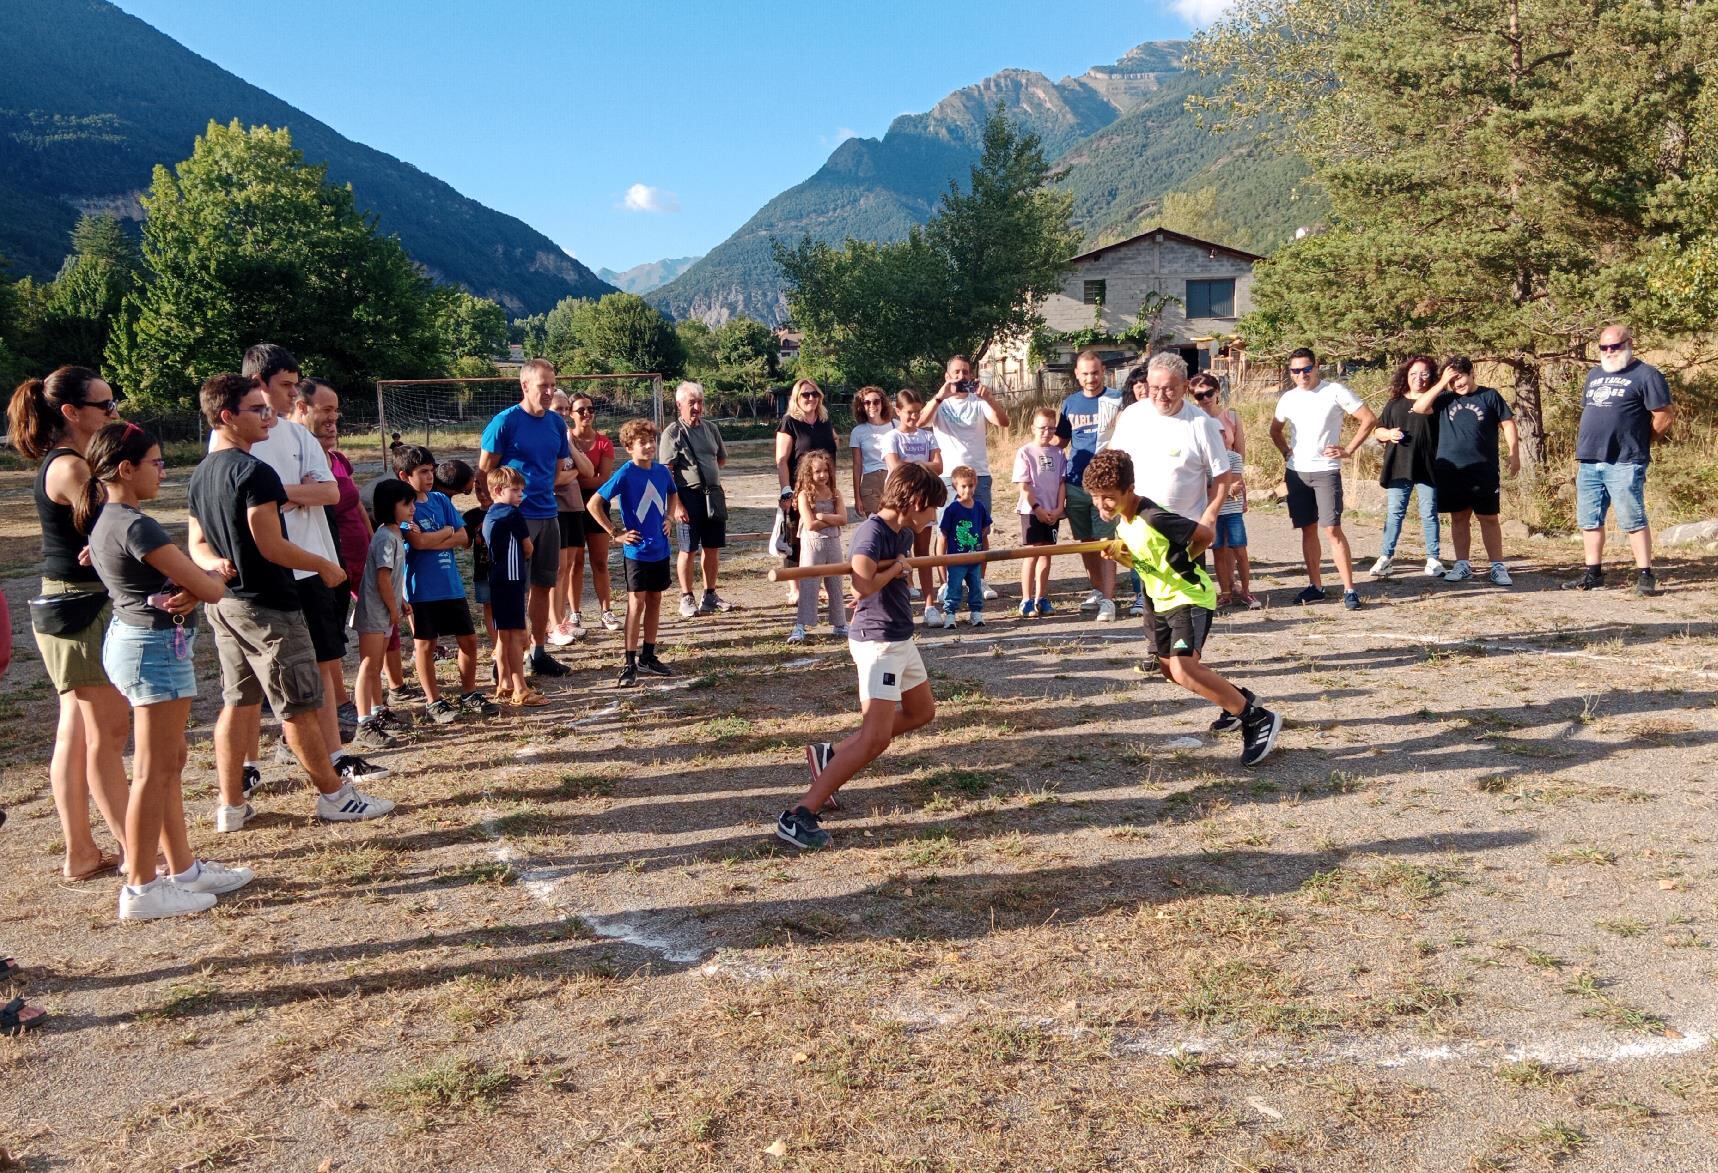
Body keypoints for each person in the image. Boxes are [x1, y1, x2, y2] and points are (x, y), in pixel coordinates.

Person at [186, 374, 394, 829]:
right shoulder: (253, 471)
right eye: (256, 410)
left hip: (227, 604)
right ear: (227, 417)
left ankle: (231, 805)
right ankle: (335, 797)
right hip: (268, 605)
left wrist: (215, 564)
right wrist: (322, 564)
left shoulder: (201, 472)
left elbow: (196, 541)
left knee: (238, 702)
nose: (268, 417)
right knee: (298, 703)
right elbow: (271, 544)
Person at [78, 422, 255, 919]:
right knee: (154, 772)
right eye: (155, 463)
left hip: (143, 642)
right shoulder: (137, 525)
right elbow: (212, 587)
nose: (163, 470)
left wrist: (196, 583)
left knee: (169, 764)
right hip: (151, 648)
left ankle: (183, 869)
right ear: (125, 469)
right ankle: (140, 887)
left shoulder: (111, 517)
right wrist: (208, 579)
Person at [229, 345, 380, 781]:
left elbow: (329, 492)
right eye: (286, 386)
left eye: (297, 385)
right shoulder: (237, 442)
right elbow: (243, 500)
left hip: (314, 566)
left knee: (324, 661)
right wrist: (289, 491)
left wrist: (278, 493)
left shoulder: (297, 437)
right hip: (269, 571)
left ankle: (335, 756)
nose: (292, 394)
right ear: (257, 384)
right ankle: (247, 765)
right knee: (254, 678)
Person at [779, 464, 948, 850]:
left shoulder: (900, 531)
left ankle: (831, 755)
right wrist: (896, 572)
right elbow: (862, 582)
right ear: (916, 502)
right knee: (875, 739)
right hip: (878, 644)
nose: (934, 517)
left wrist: (897, 571)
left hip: (899, 638)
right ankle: (799, 814)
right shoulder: (871, 533)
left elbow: (874, 581)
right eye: (932, 509)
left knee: (922, 712)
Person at [6, 366, 130, 881]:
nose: (115, 412)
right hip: (80, 609)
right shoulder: (69, 466)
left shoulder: (74, 463)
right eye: (106, 406)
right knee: (104, 736)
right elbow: (111, 524)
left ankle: (82, 852)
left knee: (76, 735)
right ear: (72, 413)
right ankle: (137, 849)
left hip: (73, 606)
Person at [1086, 449, 1282, 766]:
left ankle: (1256, 717)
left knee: (1184, 667)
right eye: (1095, 497)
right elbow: (1146, 561)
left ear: (1129, 488)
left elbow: (1204, 535)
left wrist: (1183, 559)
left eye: (1107, 497)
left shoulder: (1153, 517)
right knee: (1170, 671)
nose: (1101, 505)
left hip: (1188, 597)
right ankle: (1238, 701)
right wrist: (1122, 557)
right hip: (1159, 601)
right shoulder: (1124, 523)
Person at [1110, 352, 1238, 622]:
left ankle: (1187, 658)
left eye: (1169, 388)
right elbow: (1115, 466)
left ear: (1183, 386)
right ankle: (1157, 654)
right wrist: (1110, 504)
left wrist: (1210, 517)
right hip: (1142, 529)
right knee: (1151, 599)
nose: (1161, 395)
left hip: (1186, 529)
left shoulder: (1202, 424)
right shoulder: (1133, 415)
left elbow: (1223, 476)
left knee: (1185, 603)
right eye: (1155, 388)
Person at [478, 358, 571, 678]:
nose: (549, 391)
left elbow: (557, 470)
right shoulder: (504, 422)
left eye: (552, 385)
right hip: (515, 520)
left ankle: (538, 652)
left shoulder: (557, 424)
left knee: (544, 585)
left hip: (549, 514)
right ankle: (503, 658)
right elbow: (484, 469)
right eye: (542, 385)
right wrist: (498, 511)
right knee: (512, 589)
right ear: (525, 386)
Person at [1566, 324, 1675, 595]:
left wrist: (1641, 440)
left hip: (1625, 460)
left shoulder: (1647, 375)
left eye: (1615, 346)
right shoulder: (1594, 374)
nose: (1610, 351)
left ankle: (1645, 575)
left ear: (1629, 343)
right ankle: (1593, 573)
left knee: (1632, 518)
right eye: (1604, 347)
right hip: (1590, 459)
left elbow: (1664, 416)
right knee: (1589, 519)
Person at [1268, 348, 1377, 609]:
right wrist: (1285, 451)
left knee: (1331, 529)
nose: (1301, 375)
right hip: (1297, 471)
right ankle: (1315, 586)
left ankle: (1349, 589)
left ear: (1317, 366)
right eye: (1295, 370)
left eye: (1306, 369)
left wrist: (1348, 450)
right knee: (1307, 529)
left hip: (1326, 469)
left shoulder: (1334, 391)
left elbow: (1369, 418)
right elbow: (1275, 429)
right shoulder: (1288, 398)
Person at [396, 445, 496, 723]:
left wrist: (440, 535)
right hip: (421, 589)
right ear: (405, 476)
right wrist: (446, 533)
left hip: (450, 585)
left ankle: (469, 692)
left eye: (431, 470)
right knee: (425, 645)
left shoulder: (440, 500)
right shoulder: (404, 506)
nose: (430, 477)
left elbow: (464, 537)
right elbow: (418, 542)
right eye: (423, 472)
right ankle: (433, 701)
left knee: (469, 640)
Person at [1412, 357, 1520, 585]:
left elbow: (1508, 423)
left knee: (1488, 518)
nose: (1457, 384)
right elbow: (1419, 407)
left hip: (1483, 468)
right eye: (1452, 380)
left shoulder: (1489, 395)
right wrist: (1442, 383)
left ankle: (1497, 566)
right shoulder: (1443, 398)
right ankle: (1462, 565)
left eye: (1459, 377)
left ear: (1472, 373)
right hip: (1450, 468)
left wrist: (1514, 453)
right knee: (1458, 517)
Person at [590, 418, 677, 688]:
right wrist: (614, 533)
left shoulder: (662, 472)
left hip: (660, 549)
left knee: (655, 600)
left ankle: (648, 656)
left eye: (652, 441)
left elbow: (672, 494)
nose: (649, 446)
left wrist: (670, 517)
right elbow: (594, 504)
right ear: (629, 447)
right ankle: (629, 662)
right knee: (635, 603)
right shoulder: (626, 473)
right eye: (642, 443)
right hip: (636, 551)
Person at [925, 355, 1009, 603]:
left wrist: (990, 398)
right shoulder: (941, 403)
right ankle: (945, 583)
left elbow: (1004, 422)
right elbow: (920, 421)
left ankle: (978, 580)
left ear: (972, 375)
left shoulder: (978, 401)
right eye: (957, 372)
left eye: (966, 372)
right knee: (945, 532)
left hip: (979, 474)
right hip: (948, 476)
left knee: (981, 530)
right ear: (948, 376)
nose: (962, 377)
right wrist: (940, 396)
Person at [1054, 349, 1125, 620]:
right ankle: (1096, 589)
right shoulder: (1070, 403)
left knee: (1107, 540)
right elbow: (1059, 443)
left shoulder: (1116, 399)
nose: (1091, 378)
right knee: (1086, 541)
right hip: (1075, 482)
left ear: (1103, 371)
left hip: (1106, 485)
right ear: (1077, 374)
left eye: (1095, 372)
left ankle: (1109, 599)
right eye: (1085, 373)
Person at [351, 479, 418, 751]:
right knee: (369, 667)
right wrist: (393, 608)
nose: (413, 508)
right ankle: (363, 721)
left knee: (376, 666)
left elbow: (390, 580)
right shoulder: (386, 538)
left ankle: (378, 711)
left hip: (385, 609)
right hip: (375, 612)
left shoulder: (394, 533)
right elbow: (381, 578)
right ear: (391, 506)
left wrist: (400, 601)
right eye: (407, 504)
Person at [661, 381, 733, 618]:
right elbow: (666, 471)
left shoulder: (711, 429)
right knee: (688, 548)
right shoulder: (673, 432)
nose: (697, 407)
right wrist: (678, 504)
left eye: (700, 402)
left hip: (712, 495)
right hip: (687, 496)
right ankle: (686, 597)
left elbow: (720, 459)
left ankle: (710, 595)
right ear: (679, 404)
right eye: (692, 402)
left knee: (712, 548)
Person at [1369, 356, 1444, 578]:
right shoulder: (1394, 403)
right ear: (1405, 376)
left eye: (1424, 374)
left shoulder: (1437, 403)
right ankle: (1386, 558)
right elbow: (1378, 430)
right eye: (1413, 374)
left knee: (1429, 513)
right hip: (1399, 466)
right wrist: (1388, 434)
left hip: (1427, 467)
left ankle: (1433, 559)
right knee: (1394, 514)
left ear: (1432, 377)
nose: (1418, 379)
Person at [1190, 372, 1259, 609]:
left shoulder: (1231, 417)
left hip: (1231, 478)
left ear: (1217, 392)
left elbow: (1239, 453)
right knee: (1218, 546)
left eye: (1209, 393)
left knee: (1235, 545)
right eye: (1199, 395)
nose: (1205, 398)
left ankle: (1239, 587)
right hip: (1207, 483)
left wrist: (1241, 490)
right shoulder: (1193, 419)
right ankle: (1227, 587)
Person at [482, 466, 548, 707]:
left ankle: (504, 682)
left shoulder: (490, 514)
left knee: (503, 635)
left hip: (497, 578)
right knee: (514, 636)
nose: (521, 495)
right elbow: (527, 547)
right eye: (516, 490)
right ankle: (520, 687)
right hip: (511, 578)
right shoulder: (511, 514)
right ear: (498, 490)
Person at [774, 378, 839, 601]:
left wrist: (833, 487)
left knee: (820, 537)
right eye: (805, 395)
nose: (810, 398)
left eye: (814, 394)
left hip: (824, 487)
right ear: (796, 399)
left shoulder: (824, 421)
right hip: (798, 489)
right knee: (796, 538)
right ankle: (795, 588)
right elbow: (782, 460)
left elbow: (832, 455)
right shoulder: (789, 422)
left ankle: (815, 583)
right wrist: (786, 490)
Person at [884, 388, 944, 620]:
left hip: (924, 500)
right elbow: (895, 466)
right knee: (899, 552)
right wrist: (923, 462)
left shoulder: (927, 435)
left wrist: (914, 462)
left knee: (923, 552)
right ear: (898, 411)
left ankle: (930, 605)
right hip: (900, 501)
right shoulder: (892, 437)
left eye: (918, 412)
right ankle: (899, 604)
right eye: (909, 412)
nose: (914, 417)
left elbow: (939, 466)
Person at [566, 391, 621, 633]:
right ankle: (575, 614)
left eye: (590, 409)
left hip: (597, 506)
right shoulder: (564, 441)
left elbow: (603, 481)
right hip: (570, 507)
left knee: (600, 562)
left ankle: (606, 612)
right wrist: (582, 478)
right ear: (570, 414)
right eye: (581, 410)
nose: (587, 413)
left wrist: (572, 478)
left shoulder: (603, 442)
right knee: (574, 564)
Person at [545, 390, 596, 645]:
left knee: (570, 566)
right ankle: (553, 625)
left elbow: (587, 471)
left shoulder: (566, 437)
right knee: (557, 568)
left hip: (574, 506)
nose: (564, 414)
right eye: (559, 409)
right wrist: (572, 473)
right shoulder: (545, 437)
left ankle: (561, 620)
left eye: (566, 409)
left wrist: (570, 449)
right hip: (554, 509)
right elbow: (551, 480)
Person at [788, 449, 848, 644]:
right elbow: (810, 523)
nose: (822, 475)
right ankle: (801, 625)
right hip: (812, 544)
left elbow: (843, 519)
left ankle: (839, 623)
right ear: (809, 474)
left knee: (835, 583)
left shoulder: (835, 493)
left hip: (833, 542)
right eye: (817, 472)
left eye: (825, 471)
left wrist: (822, 517)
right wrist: (828, 520)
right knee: (809, 583)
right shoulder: (805, 495)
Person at [1012, 406, 1067, 617]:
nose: (1047, 432)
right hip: (1031, 511)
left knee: (1047, 553)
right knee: (1032, 553)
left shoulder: (1059, 452)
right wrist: (1037, 509)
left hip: (1053, 511)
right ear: (1033, 428)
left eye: (1051, 429)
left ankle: (1041, 597)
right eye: (1043, 428)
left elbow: (1062, 483)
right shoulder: (1025, 452)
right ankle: (1026, 599)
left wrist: (1059, 508)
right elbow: (1024, 486)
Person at [936, 465, 991, 628]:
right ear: (955, 487)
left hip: (975, 558)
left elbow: (984, 531)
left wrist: (983, 557)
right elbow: (943, 537)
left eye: (971, 485)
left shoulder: (979, 507)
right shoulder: (952, 509)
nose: (968, 490)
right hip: (956, 559)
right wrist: (942, 561)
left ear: (976, 484)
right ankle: (950, 614)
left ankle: (976, 613)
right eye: (963, 486)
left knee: (975, 587)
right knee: (954, 588)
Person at [848, 386, 895, 516]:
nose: (872, 405)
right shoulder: (858, 432)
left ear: (883, 403)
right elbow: (857, 466)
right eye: (867, 402)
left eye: (876, 401)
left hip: (893, 479)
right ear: (861, 406)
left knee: (896, 525)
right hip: (870, 481)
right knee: (875, 526)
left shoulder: (895, 425)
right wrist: (857, 498)